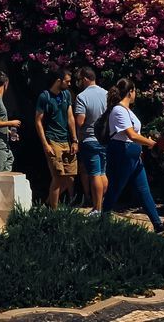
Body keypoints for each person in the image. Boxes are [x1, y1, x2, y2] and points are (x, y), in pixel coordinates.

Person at [99, 78, 164, 234]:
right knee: (116, 187)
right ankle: (103, 220)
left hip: (131, 152)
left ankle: (157, 224)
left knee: (143, 188)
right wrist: (152, 144)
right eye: (135, 91)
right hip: (123, 151)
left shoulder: (127, 111)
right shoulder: (118, 110)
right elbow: (131, 135)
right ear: (130, 91)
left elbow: (134, 135)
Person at [35, 65, 77, 208]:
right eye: (67, 81)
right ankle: (54, 212)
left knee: (70, 177)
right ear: (59, 81)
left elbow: (70, 117)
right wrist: (45, 144)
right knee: (58, 177)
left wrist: (74, 140)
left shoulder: (66, 95)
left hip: (66, 139)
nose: (69, 83)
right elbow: (38, 121)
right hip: (52, 139)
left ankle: (47, 203)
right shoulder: (45, 96)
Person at [73, 67, 109, 215]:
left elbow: (80, 121)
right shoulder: (106, 94)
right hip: (104, 138)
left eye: (79, 79)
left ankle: (97, 207)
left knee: (94, 174)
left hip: (89, 137)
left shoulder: (82, 97)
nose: (78, 83)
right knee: (103, 173)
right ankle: (103, 204)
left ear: (85, 79)